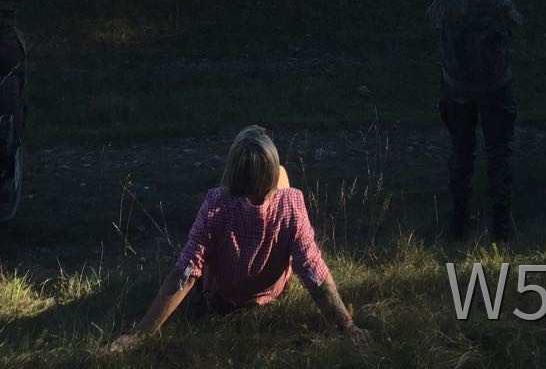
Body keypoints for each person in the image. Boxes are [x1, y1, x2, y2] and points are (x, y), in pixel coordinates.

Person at [109, 126, 368, 351]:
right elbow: (314, 273)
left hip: (221, 300)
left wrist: (140, 333)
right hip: (271, 293)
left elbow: (185, 274)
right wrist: (347, 326)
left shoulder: (215, 205)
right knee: (282, 174)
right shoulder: (292, 203)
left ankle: (250, 176)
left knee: (201, 248)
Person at [426, 0, 524, 241]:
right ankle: (501, 226)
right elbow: (517, 25)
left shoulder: (448, 0)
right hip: (496, 88)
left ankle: (459, 224)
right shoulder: (498, 6)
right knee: (499, 154)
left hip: (456, 89)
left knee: (460, 153)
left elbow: (431, 18)